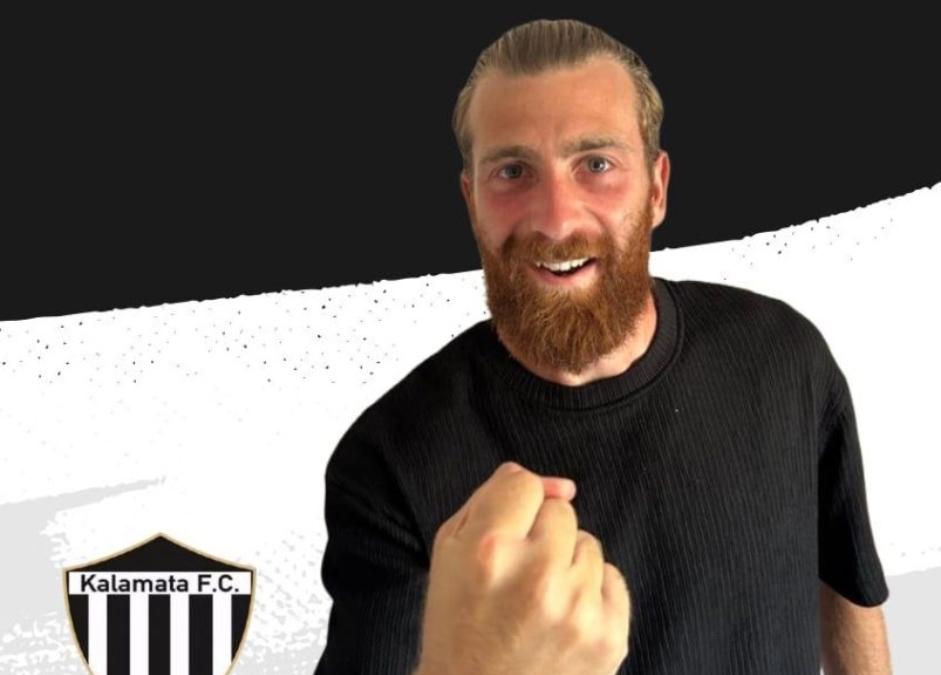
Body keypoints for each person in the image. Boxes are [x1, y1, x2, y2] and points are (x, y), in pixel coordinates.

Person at [315, 18, 892, 675]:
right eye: (513, 171)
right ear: (472, 202)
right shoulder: (390, 459)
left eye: (596, 165)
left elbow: (848, 585)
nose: (557, 219)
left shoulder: (786, 357)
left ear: (657, 188)